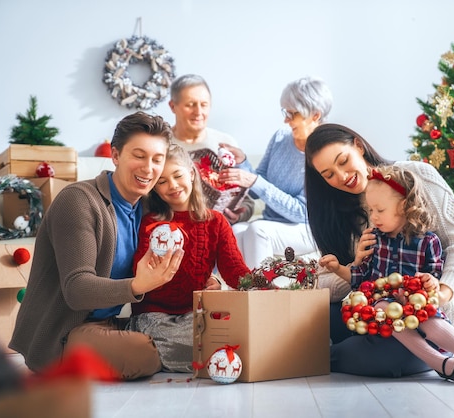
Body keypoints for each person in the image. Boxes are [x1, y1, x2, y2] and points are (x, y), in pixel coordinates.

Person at [9, 112, 183, 380]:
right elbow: (77, 289)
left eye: (157, 159)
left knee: (184, 332)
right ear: (115, 156)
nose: (149, 168)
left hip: (110, 323)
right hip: (66, 331)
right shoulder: (78, 201)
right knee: (144, 354)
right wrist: (138, 285)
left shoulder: (147, 208)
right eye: (139, 155)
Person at [304, 123, 454, 377]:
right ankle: (335, 352)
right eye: (328, 175)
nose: (341, 176)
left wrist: (443, 292)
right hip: (375, 314)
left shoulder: (417, 176)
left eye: (343, 160)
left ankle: (326, 356)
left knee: (386, 356)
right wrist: (355, 265)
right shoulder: (338, 214)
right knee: (315, 318)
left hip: (424, 318)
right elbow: (343, 284)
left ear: (358, 147)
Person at [128, 143, 250, 372]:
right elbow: (139, 275)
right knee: (202, 341)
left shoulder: (216, 222)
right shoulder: (151, 224)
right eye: (162, 181)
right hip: (155, 316)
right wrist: (156, 262)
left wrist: (264, 285)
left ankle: (218, 357)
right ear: (155, 188)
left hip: (195, 315)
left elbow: (235, 272)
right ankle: (214, 358)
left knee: (238, 330)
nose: (172, 186)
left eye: (177, 176)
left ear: (192, 174)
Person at [218, 76, 332, 268]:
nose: (286, 119)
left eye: (293, 114)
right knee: (236, 230)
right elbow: (256, 188)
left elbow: (301, 212)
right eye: (285, 112)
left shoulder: (324, 153)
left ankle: (263, 295)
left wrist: (254, 181)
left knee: (257, 230)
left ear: (315, 115)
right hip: (272, 223)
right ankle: (239, 294)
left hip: (308, 227)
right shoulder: (280, 138)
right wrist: (243, 162)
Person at [169, 73, 254, 225]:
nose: (198, 112)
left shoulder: (225, 144)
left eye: (204, 104)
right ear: (173, 106)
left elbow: (247, 201)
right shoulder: (161, 144)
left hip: (217, 228)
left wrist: (239, 215)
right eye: (190, 104)